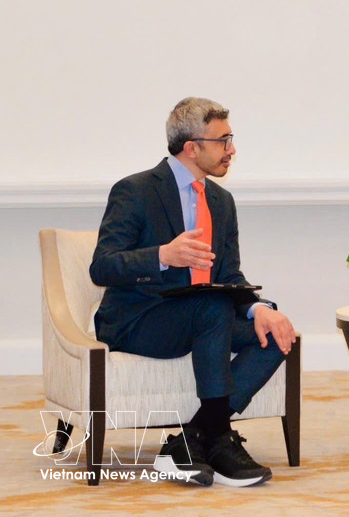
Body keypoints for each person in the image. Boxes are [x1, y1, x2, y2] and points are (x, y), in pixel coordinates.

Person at [90, 97, 297, 487]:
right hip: (139, 318)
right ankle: (217, 439)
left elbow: (229, 273)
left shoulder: (221, 201)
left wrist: (259, 310)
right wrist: (163, 255)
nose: (232, 150)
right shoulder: (135, 191)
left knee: (277, 336)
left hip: (202, 316)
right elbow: (102, 266)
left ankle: (195, 438)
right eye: (224, 140)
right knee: (212, 308)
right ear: (192, 147)